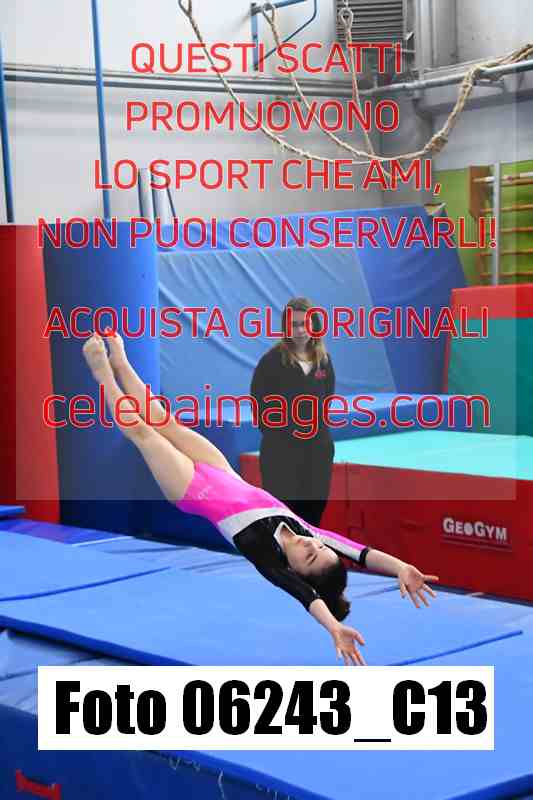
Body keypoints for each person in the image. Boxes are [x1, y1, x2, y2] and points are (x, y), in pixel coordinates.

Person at [83, 331, 439, 666]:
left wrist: (333, 627)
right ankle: (122, 364)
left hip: (190, 490)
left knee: (144, 433)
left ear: (295, 570)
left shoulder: (268, 558)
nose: (309, 543)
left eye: (308, 555)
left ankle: (103, 375)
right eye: (318, 545)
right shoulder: (308, 533)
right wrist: (401, 567)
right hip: (222, 472)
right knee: (165, 422)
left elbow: (307, 596)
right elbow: (361, 553)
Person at [251, 297, 335, 526]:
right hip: (282, 454)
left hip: (317, 451)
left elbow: (326, 400)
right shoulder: (271, 362)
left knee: (313, 516)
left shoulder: (324, 362)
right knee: (285, 518)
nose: (300, 330)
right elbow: (259, 405)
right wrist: (284, 436)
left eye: (304, 324)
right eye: (294, 325)